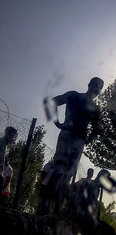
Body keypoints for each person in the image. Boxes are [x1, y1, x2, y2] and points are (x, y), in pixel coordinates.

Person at [45, 77, 104, 214]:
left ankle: (57, 210)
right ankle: (47, 207)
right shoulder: (74, 95)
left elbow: (96, 130)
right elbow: (53, 101)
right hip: (67, 134)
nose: (96, 89)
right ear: (89, 84)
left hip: (79, 140)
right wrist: (57, 122)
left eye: (99, 88)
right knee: (59, 170)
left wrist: (87, 140)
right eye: (95, 85)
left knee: (68, 175)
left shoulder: (95, 109)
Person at [0, 126, 18, 191]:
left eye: (14, 137)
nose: (13, 139)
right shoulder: (1, 143)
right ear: (8, 134)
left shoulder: (5, 146)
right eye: (12, 137)